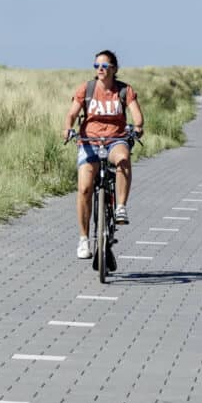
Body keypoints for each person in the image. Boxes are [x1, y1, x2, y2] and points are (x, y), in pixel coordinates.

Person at [63, 50, 144, 259]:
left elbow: (136, 114)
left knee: (123, 159)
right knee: (84, 188)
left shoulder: (124, 90)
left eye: (105, 65)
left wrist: (137, 127)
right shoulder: (87, 89)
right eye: (96, 65)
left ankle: (120, 207)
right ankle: (83, 240)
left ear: (114, 69)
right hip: (89, 140)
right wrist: (67, 127)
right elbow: (72, 113)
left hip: (115, 139)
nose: (100, 69)